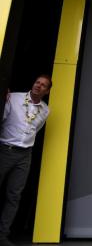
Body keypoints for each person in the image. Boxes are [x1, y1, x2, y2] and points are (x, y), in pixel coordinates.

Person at [0, 75, 51, 246]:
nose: (39, 86)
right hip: (5, 150)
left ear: (47, 91)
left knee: (14, 196)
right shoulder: (13, 98)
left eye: (43, 85)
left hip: (25, 156)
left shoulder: (45, 110)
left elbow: (35, 130)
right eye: (37, 82)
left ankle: (2, 235)